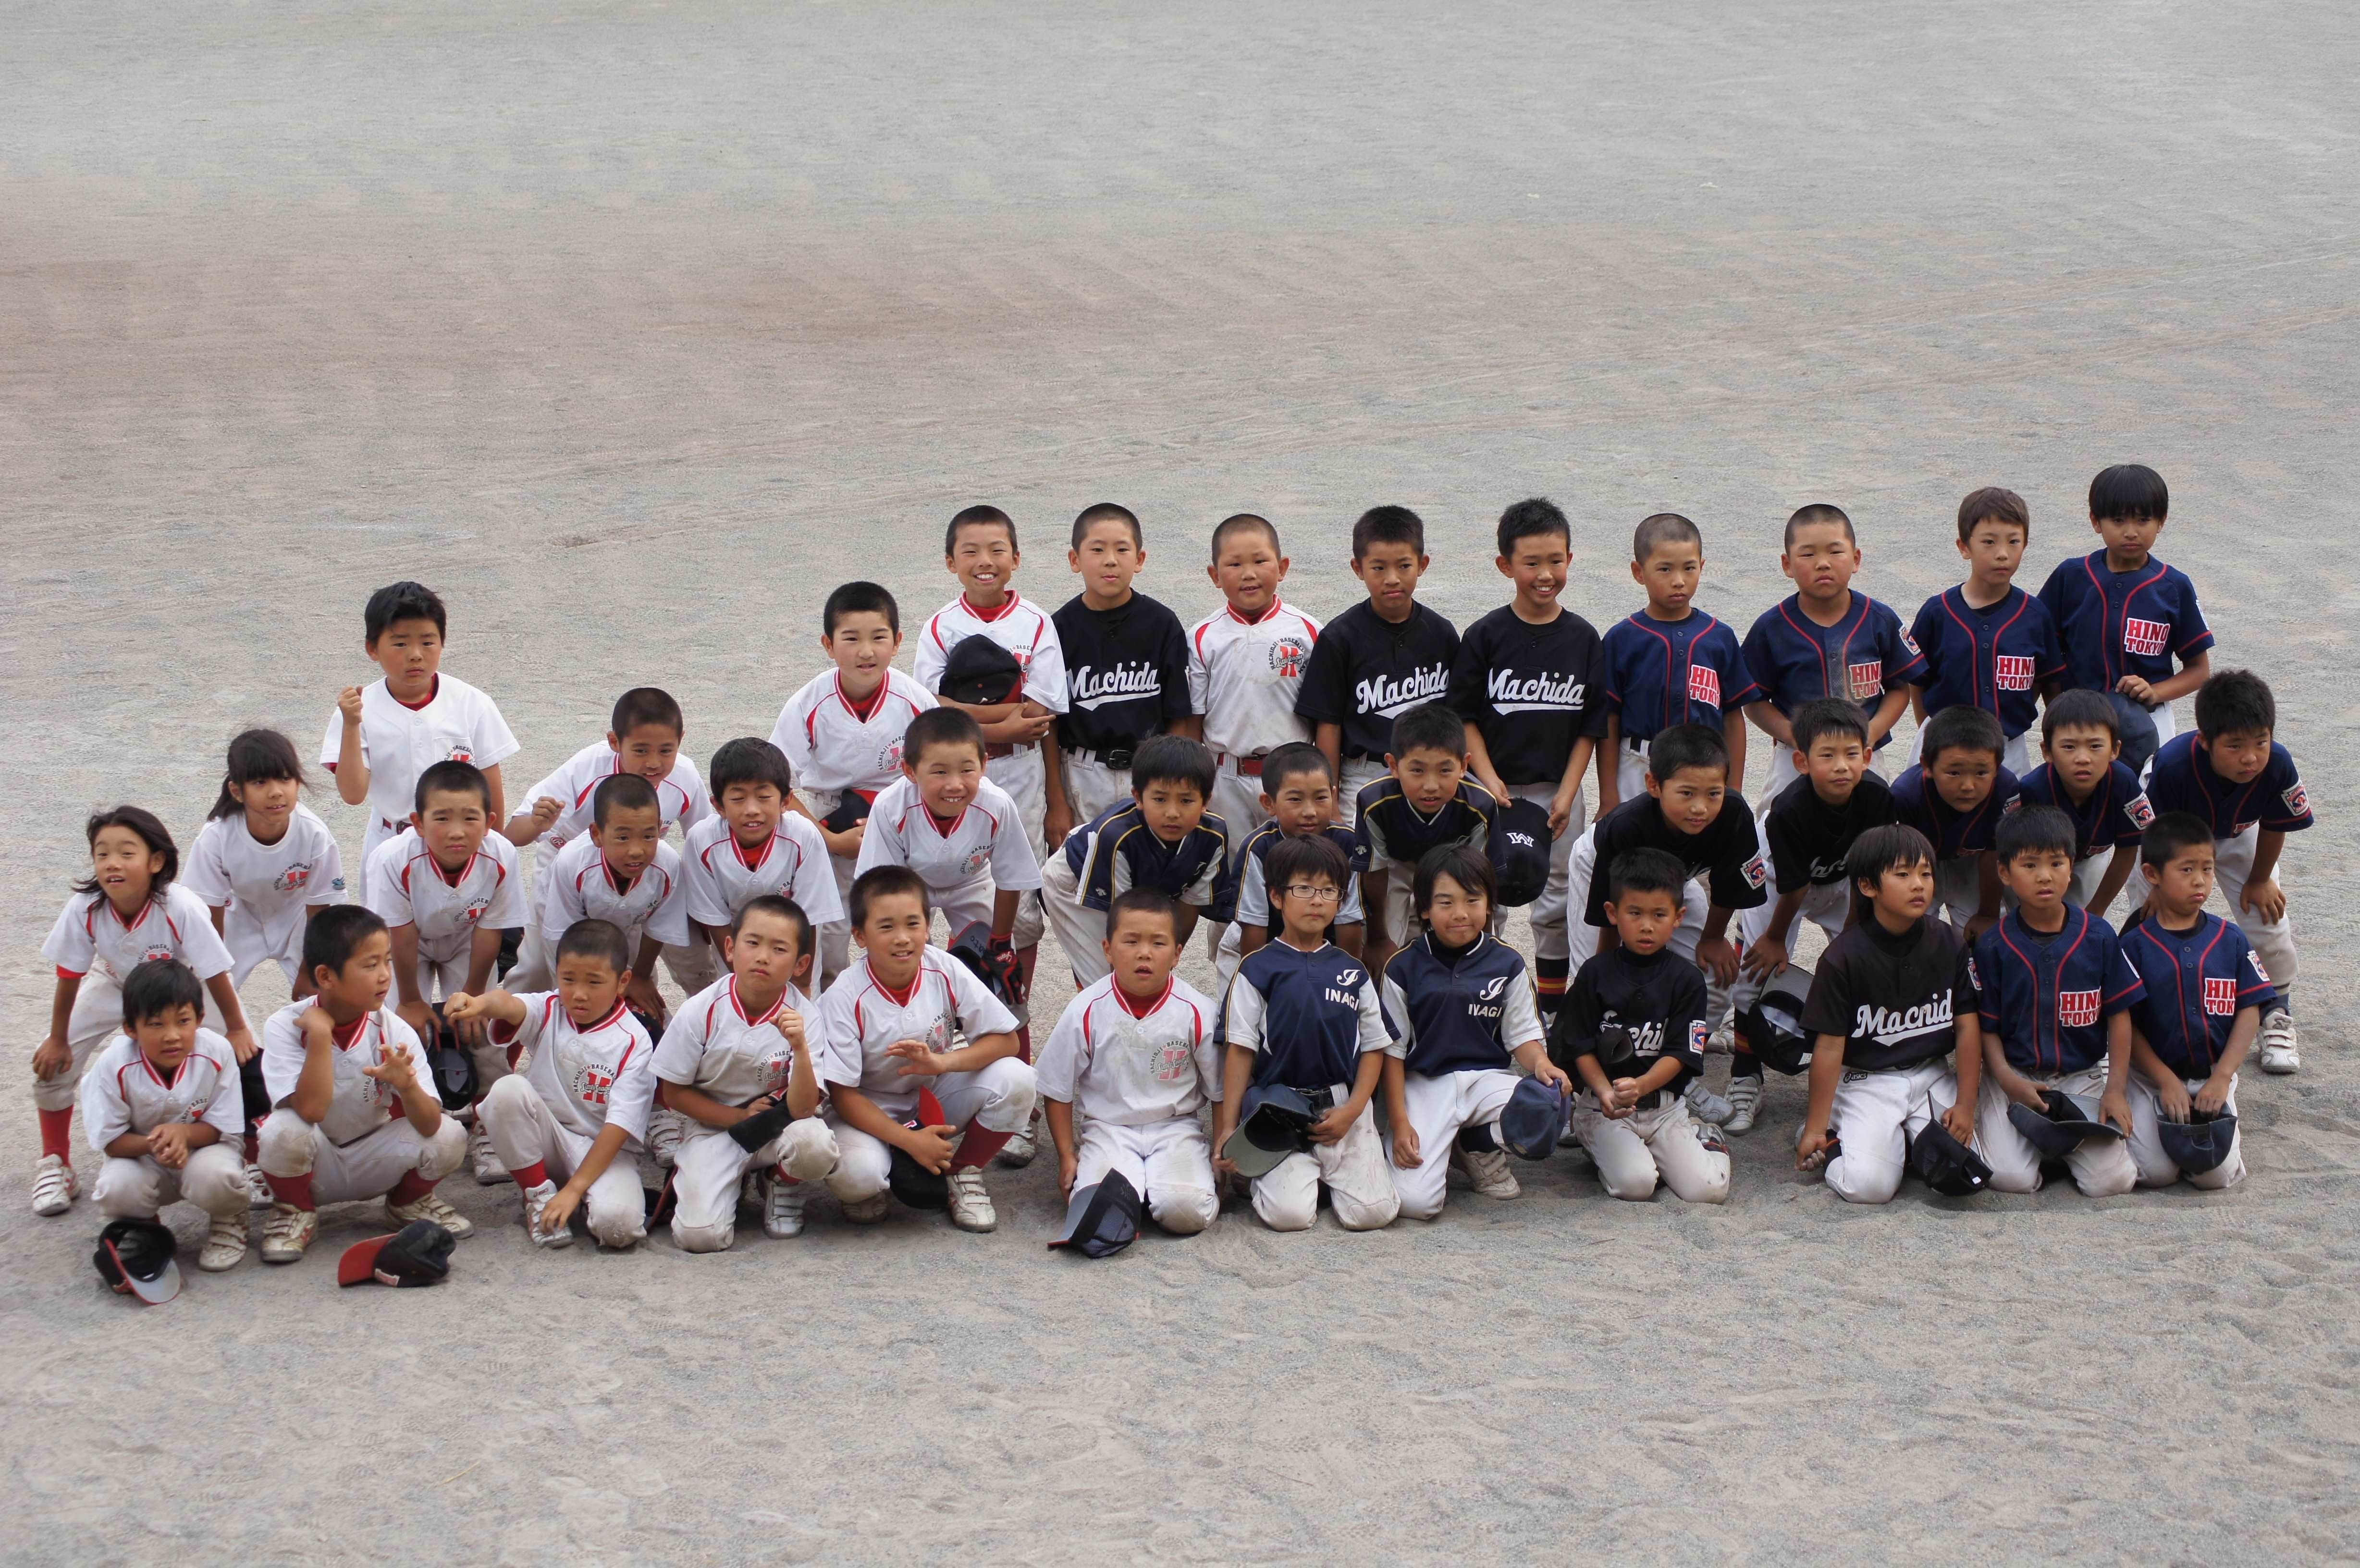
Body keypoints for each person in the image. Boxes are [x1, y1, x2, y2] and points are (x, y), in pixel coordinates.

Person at [34, 807, 249, 1218]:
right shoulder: (85, 907)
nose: (112, 863)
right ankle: (56, 1162)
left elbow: (214, 970)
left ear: (156, 861)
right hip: (116, 981)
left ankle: (251, 1157)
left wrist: (237, 1028)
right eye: (102, 854)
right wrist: (58, 1039)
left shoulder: (179, 904)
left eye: (126, 853)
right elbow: (69, 974)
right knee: (53, 1061)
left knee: (245, 1056)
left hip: (183, 987)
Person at [854, 705, 1046, 1163]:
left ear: (985, 764)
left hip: (972, 882)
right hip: (907, 886)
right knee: (896, 969)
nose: (954, 783)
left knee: (1006, 990)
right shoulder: (891, 806)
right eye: (938, 771)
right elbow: (882, 887)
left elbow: (1011, 879)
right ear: (909, 771)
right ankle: (885, 1088)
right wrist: (906, 942)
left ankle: (1021, 1113)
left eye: (966, 769)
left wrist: (1001, 945)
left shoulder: (996, 803)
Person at [1449, 497, 1611, 1015]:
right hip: (1489, 789)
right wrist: (1487, 779)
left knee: (1557, 898)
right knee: (1484, 893)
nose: (1545, 574)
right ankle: (1482, 999)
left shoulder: (1583, 638)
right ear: (1505, 565)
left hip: (1555, 791)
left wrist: (1569, 792)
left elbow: (1591, 726)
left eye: (1556, 561)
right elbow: (1464, 717)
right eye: (1532, 562)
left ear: (1570, 559)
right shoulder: (1486, 635)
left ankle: (1553, 1009)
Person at [1562, 724, 1769, 1125]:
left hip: (1674, 882)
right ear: (1654, 785)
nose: (1700, 807)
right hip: (1606, 873)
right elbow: (1610, 916)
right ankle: (1586, 1094)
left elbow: (1732, 884)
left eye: (1713, 793)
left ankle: (1675, 1075)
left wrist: (1713, 938)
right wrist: (1607, 973)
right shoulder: (1627, 825)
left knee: (1714, 977)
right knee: (1594, 987)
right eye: (1687, 793)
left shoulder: (1733, 812)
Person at [815, 865, 1034, 1232]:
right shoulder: (843, 995)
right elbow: (842, 1095)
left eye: (913, 924)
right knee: (858, 1179)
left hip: (932, 1096)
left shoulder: (944, 968)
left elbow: (1006, 1040)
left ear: (928, 927)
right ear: (860, 936)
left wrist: (943, 1063)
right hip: (867, 1108)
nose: (902, 938)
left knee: (1019, 1080)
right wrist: (910, 1141)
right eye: (886, 927)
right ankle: (880, 1174)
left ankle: (962, 1172)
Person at [254, 906, 470, 1263]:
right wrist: (320, 1035)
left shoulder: (393, 1028)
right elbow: (311, 1110)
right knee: (281, 1130)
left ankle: (407, 1203)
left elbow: (431, 1126)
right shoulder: (286, 1025)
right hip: (315, 1164)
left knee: (451, 1135)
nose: (385, 976)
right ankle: (296, 1211)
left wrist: (408, 1087)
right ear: (325, 976)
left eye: (387, 961)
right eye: (371, 965)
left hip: (376, 1156)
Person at [1210, 836, 1399, 1233]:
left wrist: (1353, 1110)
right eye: (1304, 889)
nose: (1317, 900)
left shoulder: (1352, 970)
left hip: (1340, 1104)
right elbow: (1240, 1051)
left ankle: (1321, 1175)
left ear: (1340, 901)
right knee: (1289, 1217)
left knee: (1374, 1214)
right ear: (1277, 897)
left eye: (1329, 891)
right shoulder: (1256, 968)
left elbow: (1374, 1048)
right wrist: (1228, 1127)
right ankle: (1273, 1172)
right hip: (1278, 1106)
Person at [1726, 698, 1898, 1126]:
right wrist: (1774, 939)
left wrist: (1853, 936)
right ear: (1801, 762)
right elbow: (1795, 885)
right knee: (1754, 974)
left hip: (1844, 879)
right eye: (1827, 755)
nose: (1841, 766)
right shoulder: (1788, 809)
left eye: (1851, 754)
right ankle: (1745, 1073)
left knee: (1864, 966)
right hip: (1777, 882)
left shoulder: (1878, 796)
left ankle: (1854, 1071)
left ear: (1867, 756)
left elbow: (1868, 870)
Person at [1793, 825, 1985, 1203]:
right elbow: (1828, 1049)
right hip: (1868, 1080)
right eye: (1903, 874)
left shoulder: (1948, 941)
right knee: (1869, 1187)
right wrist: (1815, 1128)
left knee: (1967, 1170)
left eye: (1926, 873)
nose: (1918, 885)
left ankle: (1899, 1141)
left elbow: (1967, 1027)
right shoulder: (1843, 958)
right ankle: (1835, 1136)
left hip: (1931, 1074)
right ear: (1868, 886)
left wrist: (1965, 1105)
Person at [445, 919, 659, 1250]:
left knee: (619, 1228)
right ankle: (539, 1194)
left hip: (603, 1149)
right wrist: (480, 1003)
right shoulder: (550, 1007)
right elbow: (510, 1004)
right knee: (507, 1090)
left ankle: (576, 1195)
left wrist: (575, 1189)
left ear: (622, 982)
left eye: (594, 982)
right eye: (568, 979)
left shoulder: (634, 1040)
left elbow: (619, 1127)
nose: (579, 994)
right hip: (546, 1138)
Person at [1380, 846, 1569, 1218]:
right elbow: (1392, 1052)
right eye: (1446, 902)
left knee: (1548, 1100)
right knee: (1417, 1204)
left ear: (1489, 905)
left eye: (1472, 900)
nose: (1461, 914)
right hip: (1425, 1084)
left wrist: (1542, 1065)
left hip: (1487, 1079)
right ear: (1424, 908)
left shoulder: (1507, 962)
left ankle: (1475, 1142)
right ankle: (1447, 1144)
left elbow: (1522, 1037)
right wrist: (1400, 1122)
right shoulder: (1402, 966)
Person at [362, 759, 523, 1183]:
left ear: (489, 822)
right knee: (394, 1031)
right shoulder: (390, 859)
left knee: (483, 1030)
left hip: (466, 938)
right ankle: (403, 1123)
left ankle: (488, 1127)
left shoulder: (501, 854)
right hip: (403, 944)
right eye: (442, 818)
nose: (456, 831)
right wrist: (412, 1001)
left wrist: (473, 996)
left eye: (470, 818)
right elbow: (399, 935)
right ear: (417, 823)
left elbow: (490, 929)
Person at [2139, 669, 2308, 1073]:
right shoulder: (2173, 766)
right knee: (2152, 920)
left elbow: (2276, 822)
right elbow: (2153, 834)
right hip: (2170, 840)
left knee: (2269, 918)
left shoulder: (2277, 762)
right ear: (2205, 741)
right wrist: (2158, 889)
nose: (2250, 757)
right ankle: (2153, 1017)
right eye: (2235, 746)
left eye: (2260, 742)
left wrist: (2260, 879)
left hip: (2238, 832)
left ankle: (2276, 1011)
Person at [648, 897, 840, 1250]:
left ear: (801, 964)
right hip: (714, 1126)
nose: (763, 957)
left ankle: (778, 1179)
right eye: (753, 943)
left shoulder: (805, 1017)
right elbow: (674, 1093)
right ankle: (728, 1183)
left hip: (779, 1125)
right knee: (700, 1236)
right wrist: (736, 1117)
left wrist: (800, 1048)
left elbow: (803, 1109)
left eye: (779, 949)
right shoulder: (700, 1010)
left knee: (816, 1146)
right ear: (730, 949)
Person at [1969, 805, 2141, 1197]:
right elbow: (1987, 1027)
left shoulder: (2099, 936)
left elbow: (2120, 1014)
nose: (2044, 876)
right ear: (2004, 873)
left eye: (2056, 863)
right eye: (2029, 865)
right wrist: (2008, 1080)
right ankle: (2036, 1142)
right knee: (2011, 1179)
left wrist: (2115, 1089)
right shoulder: (1994, 945)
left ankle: (2056, 1144)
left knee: (2111, 1183)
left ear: (2071, 867)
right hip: (2015, 1073)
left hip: (2081, 1074)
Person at [771, 582, 936, 986]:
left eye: (879, 637)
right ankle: (832, 1013)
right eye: (851, 639)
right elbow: (776, 787)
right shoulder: (808, 704)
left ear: (898, 642)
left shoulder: (916, 702)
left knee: (903, 926)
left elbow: (941, 774)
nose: (866, 651)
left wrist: (894, 824)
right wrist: (831, 840)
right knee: (830, 934)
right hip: (828, 817)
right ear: (828, 645)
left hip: (902, 814)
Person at [1035, 890, 1222, 1239]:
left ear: (1178, 954)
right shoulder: (1086, 1009)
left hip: (1176, 1128)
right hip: (1108, 1129)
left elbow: (1220, 1090)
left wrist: (1218, 1150)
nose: (1144, 953)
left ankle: (1156, 1191)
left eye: (1158, 943)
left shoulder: (1198, 1011)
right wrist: (1067, 1155)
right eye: (1131, 941)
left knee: (1186, 1213)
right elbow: (1056, 1087)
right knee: (1099, 1220)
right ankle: (1137, 1193)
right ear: (1107, 949)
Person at [503, 686, 714, 992]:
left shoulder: (685, 776)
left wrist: (706, 909)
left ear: (681, 741)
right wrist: (537, 824)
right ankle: (507, 1022)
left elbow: (703, 842)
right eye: (641, 750)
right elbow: (512, 835)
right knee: (538, 969)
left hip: (635, 869)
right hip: (565, 870)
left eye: (666, 751)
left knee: (635, 967)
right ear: (615, 742)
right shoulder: (586, 768)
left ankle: (703, 1012)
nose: (654, 762)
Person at [1554, 848, 1730, 1204]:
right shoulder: (1595, 974)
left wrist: (1642, 1085)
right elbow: (1579, 1044)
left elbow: (1681, 1053)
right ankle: (1610, 1148)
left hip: (1665, 1109)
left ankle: (1708, 1142)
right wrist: (1604, 1091)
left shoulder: (1687, 980)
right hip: (1604, 1109)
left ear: (1678, 917)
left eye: (1659, 914)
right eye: (1635, 913)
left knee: (1708, 1191)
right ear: (1613, 913)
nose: (1647, 925)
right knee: (1636, 1185)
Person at [321, 580, 517, 865]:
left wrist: (491, 851)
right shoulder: (357, 710)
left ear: (442, 643)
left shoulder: (472, 703)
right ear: (372, 649)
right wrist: (351, 725)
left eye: (427, 642)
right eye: (400, 643)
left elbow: (491, 787)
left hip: (459, 843)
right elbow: (353, 795)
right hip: (389, 843)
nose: (415, 654)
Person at [2119, 814, 2268, 1189]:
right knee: (2157, 1174)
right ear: (2152, 874)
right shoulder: (2134, 945)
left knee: (2214, 1178)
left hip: (2212, 1074)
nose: (2200, 880)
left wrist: (2223, 1077)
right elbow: (2125, 1024)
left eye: (2207, 869)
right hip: (2151, 1078)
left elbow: (2250, 1009)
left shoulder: (2230, 938)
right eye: (2187, 870)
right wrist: (2164, 1080)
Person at [913, 504, 1070, 856]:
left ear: (1016, 559)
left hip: (1022, 767)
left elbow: (1038, 714)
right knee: (960, 865)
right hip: (957, 769)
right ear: (951, 562)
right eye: (970, 552)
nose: (985, 561)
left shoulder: (1036, 623)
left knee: (1022, 867)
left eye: (997, 550)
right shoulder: (940, 627)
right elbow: (930, 712)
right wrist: (1003, 729)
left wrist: (957, 710)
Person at [1740, 503, 1927, 798]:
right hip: (1796, 757)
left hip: (1862, 753)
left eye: (1835, 551)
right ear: (1787, 564)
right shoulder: (1771, 628)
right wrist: (1794, 735)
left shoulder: (1879, 619)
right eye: (1808, 554)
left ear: (1856, 559)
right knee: (1780, 821)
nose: (1823, 563)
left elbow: (1899, 687)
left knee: (1874, 820)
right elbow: (1754, 700)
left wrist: (1873, 731)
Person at [79, 958, 251, 1271]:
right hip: (142, 1155)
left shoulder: (217, 1052)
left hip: (204, 1150)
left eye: (183, 1021)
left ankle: (228, 1217)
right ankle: (143, 1227)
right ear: (130, 1028)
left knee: (219, 1176)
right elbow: (112, 1142)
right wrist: (156, 1143)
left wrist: (184, 1134)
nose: (172, 1035)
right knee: (116, 1187)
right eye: (156, 1024)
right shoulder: (113, 1065)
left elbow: (221, 1127)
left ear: (200, 1019)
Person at [2037, 463, 2212, 763]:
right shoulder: (2071, 577)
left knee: (2149, 791)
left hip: (2150, 719)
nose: (2131, 532)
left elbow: (2199, 671)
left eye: (2144, 520)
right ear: (2096, 521)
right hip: (2078, 723)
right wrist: (2057, 710)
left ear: (2161, 521)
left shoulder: (2174, 587)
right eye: (2118, 520)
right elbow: (2043, 656)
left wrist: (2155, 692)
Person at [1294, 505, 1459, 822]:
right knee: (1359, 853)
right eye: (1379, 568)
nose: (1392, 579)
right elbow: (1329, 725)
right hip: (1364, 773)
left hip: (1430, 772)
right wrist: (1330, 798)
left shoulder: (1441, 633)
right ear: (1358, 568)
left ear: (1422, 565)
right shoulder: (1339, 638)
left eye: (1404, 566)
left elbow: (1458, 713)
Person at [1039, 735, 1236, 988]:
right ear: (1138, 798)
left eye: (1186, 800)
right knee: (1105, 981)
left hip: (1135, 884)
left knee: (1150, 977)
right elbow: (1122, 920)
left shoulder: (1213, 835)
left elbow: (1189, 906)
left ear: (1206, 801)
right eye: (1160, 799)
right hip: (1074, 882)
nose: (1173, 812)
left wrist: (1166, 962)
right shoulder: (1116, 836)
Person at [1045, 503, 1192, 841]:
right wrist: (1056, 801)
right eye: (1097, 550)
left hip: (1149, 772)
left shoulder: (1162, 624)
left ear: (1139, 559)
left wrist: (1173, 783)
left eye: (1122, 550)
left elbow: (1178, 717)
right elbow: (1049, 725)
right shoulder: (1058, 629)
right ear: (1074, 560)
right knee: (1083, 864)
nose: (1110, 560)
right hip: (1081, 773)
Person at [1599, 511, 1757, 809]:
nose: (1679, 581)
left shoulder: (1719, 637)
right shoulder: (1622, 638)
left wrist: (1734, 790)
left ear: (1702, 567)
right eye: (1665, 569)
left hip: (1705, 767)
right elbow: (1609, 720)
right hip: (1638, 763)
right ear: (1638, 572)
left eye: (1689, 568)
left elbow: (1733, 718)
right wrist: (1608, 797)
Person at [1907, 487, 2066, 777]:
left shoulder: (2035, 616)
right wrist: (1928, 731)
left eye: (2014, 541)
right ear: (1964, 547)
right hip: (1942, 747)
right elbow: (1918, 681)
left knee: (2009, 806)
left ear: (2025, 545)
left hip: (2010, 749)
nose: (2002, 554)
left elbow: (2049, 684)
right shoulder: (1937, 612)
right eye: (1989, 542)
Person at [1182, 513, 1322, 842]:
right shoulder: (1202, 637)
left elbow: (1322, 716)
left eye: (1260, 561)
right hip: (1226, 779)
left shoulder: (1309, 632)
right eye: (1234, 565)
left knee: (1295, 859)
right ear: (1215, 575)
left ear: (1283, 568)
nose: (1249, 574)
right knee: (1231, 864)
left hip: (1292, 777)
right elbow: (1194, 721)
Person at [516, 773, 688, 1027]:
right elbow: (560, 937)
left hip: (629, 921)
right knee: (536, 978)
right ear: (597, 834)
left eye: (648, 836)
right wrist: (576, 994)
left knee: (635, 992)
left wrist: (640, 976)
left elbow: (659, 927)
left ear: (659, 828)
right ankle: (508, 1046)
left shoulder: (668, 864)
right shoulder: (573, 862)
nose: (637, 850)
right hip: (561, 918)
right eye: (623, 838)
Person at [185, 728, 345, 992]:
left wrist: (311, 967)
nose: (276, 792)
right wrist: (215, 977)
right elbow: (208, 914)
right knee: (204, 996)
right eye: (260, 782)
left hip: (298, 916)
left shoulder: (315, 834)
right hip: (238, 914)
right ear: (237, 791)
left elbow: (321, 908)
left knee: (327, 992)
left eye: (285, 779)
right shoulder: (216, 837)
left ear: (298, 782)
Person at [1353, 702, 1498, 980]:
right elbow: (1373, 870)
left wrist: (1484, 948)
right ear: (1393, 766)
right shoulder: (1373, 801)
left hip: (1457, 871)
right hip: (1395, 868)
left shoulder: (1480, 804)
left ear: (1464, 766)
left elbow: (1481, 878)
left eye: (1445, 770)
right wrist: (1377, 939)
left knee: (1464, 936)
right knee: (1385, 954)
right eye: (1418, 771)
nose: (1431, 785)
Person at [680, 737, 844, 981]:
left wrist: (802, 984)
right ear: (719, 806)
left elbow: (809, 918)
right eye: (738, 799)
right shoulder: (702, 841)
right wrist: (742, 975)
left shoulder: (803, 836)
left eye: (764, 797)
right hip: (735, 957)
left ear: (786, 801)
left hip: (795, 955)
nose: (752, 810)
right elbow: (716, 921)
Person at [1219, 741, 1364, 980]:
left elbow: (1350, 919)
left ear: (1333, 794)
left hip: (1329, 946)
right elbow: (1254, 924)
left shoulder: (1348, 843)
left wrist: (1345, 979)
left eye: (1321, 798)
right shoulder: (1258, 848)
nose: (1310, 811)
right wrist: (1259, 983)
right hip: (1260, 945)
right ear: (1269, 803)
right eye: (1296, 800)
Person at [2012, 689, 2153, 917]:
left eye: (2095, 746)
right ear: (2047, 752)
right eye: (2069, 747)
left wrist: (2097, 909)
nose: (2083, 758)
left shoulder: (2123, 782)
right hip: (2038, 863)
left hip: (2089, 858)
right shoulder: (2033, 790)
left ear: (2115, 750)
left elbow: (2128, 849)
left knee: (2089, 923)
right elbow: (2020, 858)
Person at [1889, 704, 2015, 931]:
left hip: (1973, 864)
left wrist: (1987, 913)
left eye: (1981, 773)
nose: (1968, 786)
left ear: (1997, 768)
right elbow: (1904, 860)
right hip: (1919, 863)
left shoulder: (2006, 788)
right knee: (1912, 931)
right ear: (1927, 766)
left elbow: (1995, 853)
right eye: (1954, 772)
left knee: (1978, 935)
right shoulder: (1905, 795)